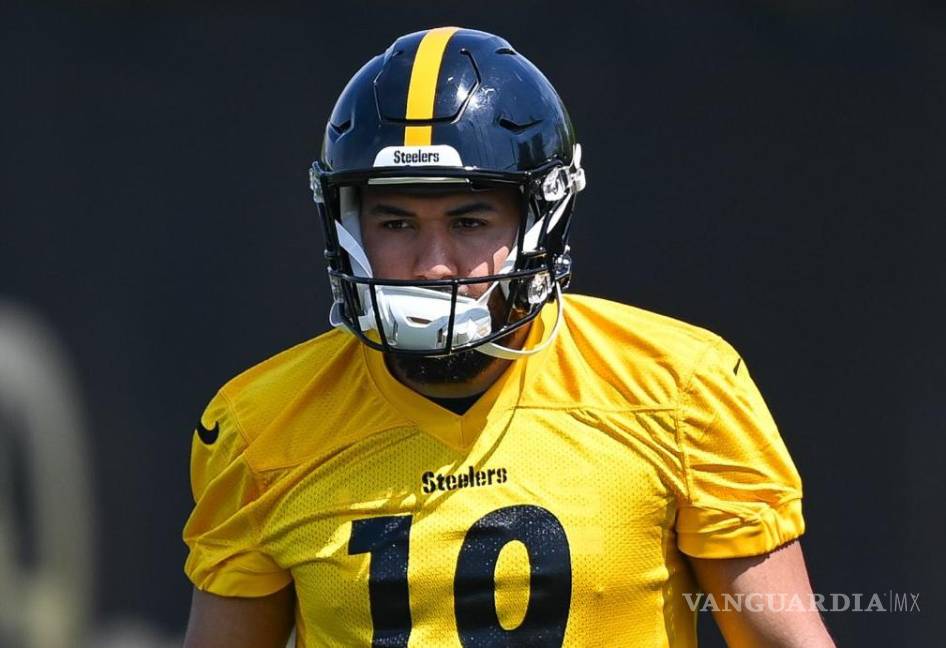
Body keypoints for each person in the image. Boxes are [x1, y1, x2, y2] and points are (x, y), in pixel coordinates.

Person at [182, 27, 834, 647]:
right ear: (347, 226)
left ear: (542, 221)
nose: (434, 266)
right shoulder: (261, 427)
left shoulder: (678, 390)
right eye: (396, 223)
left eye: (469, 222)